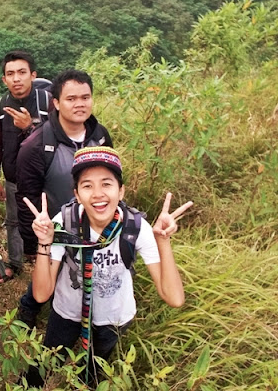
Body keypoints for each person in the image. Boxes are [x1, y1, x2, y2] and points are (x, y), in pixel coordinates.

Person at [22, 146, 193, 385]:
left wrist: (163, 240)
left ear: (121, 191)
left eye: (106, 184)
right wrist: (44, 242)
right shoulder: (65, 223)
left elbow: (174, 298)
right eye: (87, 185)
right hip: (67, 313)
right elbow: (41, 294)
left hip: (113, 319)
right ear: (77, 194)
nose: (98, 194)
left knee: (92, 368)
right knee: (45, 361)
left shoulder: (135, 228)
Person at [15, 69, 113, 327]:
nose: (79, 104)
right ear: (56, 103)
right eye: (71, 99)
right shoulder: (35, 146)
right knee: (50, 274)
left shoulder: (100, 135)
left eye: (85, 97)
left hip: (93, 226)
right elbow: (27, 199)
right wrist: (32, 243)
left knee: (80, 273)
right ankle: (29, 306)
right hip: (56, 230)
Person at [0, 50, 52, 279]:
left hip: (47, 178)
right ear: (4, 79)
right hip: (14, 179)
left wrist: (30, 127)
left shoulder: (48, 103)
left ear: (33, 75)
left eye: (22, 72)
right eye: (10, 74)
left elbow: (56, 139)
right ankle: (16, 263)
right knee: (13, 222)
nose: (17, 78)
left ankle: (48, 260)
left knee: (48, 220)